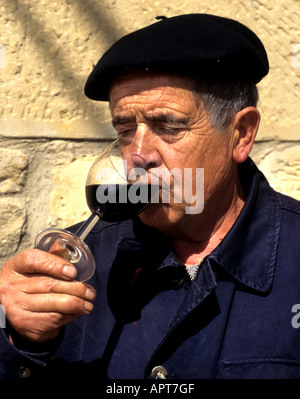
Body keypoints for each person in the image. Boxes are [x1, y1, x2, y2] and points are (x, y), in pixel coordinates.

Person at [0, 13, 300, 380]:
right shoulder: (79, 264)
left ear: (241, 135)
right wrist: (18, 340)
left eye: (169, 126)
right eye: (125, 129)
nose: (138, 155)